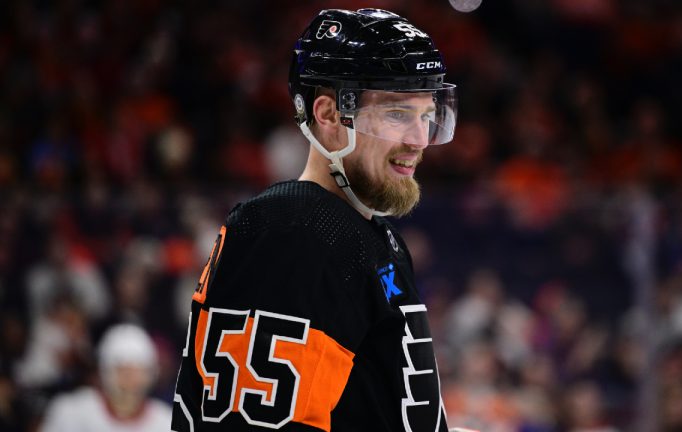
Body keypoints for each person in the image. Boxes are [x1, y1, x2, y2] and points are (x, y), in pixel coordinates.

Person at [171, 8, 458, 431]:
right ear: (327, 116)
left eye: (426, 114)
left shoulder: (368, 235)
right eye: (397, 114)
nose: (419, 140)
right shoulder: (293, 231)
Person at [40, 323, 172, 432]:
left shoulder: (167, 422)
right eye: (122, 371)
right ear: (104, 372)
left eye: (138, 372)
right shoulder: (71, 413)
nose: (131, 381)